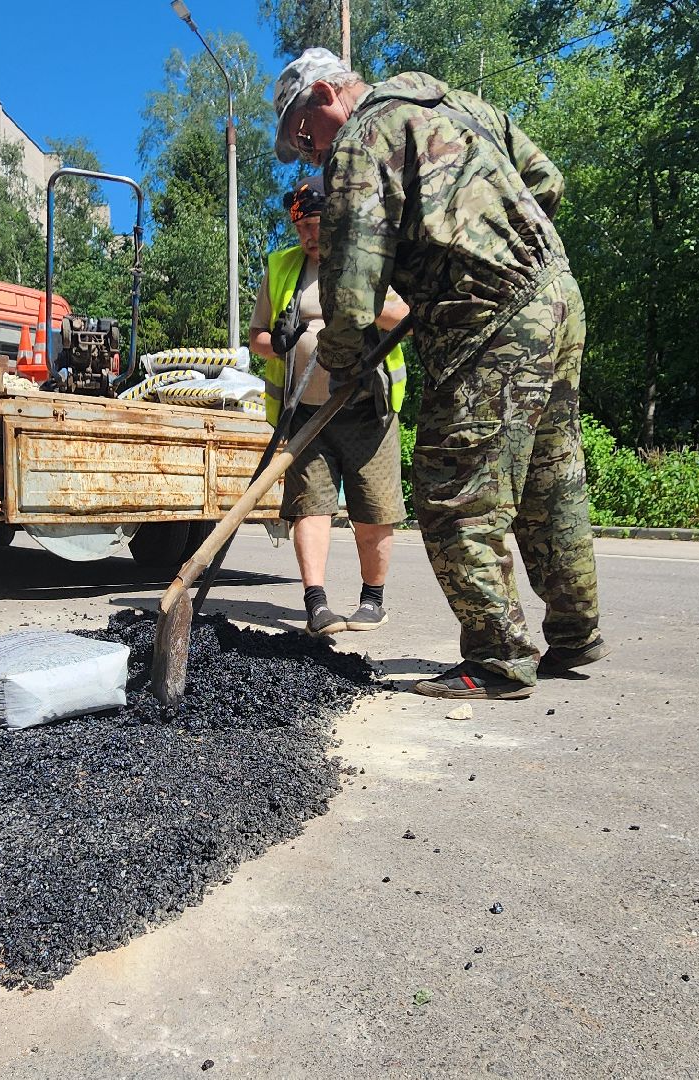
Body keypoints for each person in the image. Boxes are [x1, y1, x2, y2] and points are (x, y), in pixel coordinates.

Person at [271, 47, 605, 699]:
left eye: (304, 139)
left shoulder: (361, 140)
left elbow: (353, 288)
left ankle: (498, 658)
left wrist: (339, 364)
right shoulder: (459, 104)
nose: (311, 155)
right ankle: (575, 632)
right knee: (549, 473)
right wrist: (492, 241)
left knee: (454, 485)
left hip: (487, 318)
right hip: (557, 295)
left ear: (322, 98)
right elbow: (548, 183)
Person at [249, 183, 411, 635]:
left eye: (317, 226)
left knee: (373, 510)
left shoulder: (372, 259)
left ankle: (372, 601)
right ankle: (316, 603)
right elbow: (256, 338)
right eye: (302, 228)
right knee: (310, 507)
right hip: (306, 413)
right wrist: (278, 343)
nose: (309, 237)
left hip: (367, 410)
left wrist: (366, 304)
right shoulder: (283, 267)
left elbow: (407, 320)